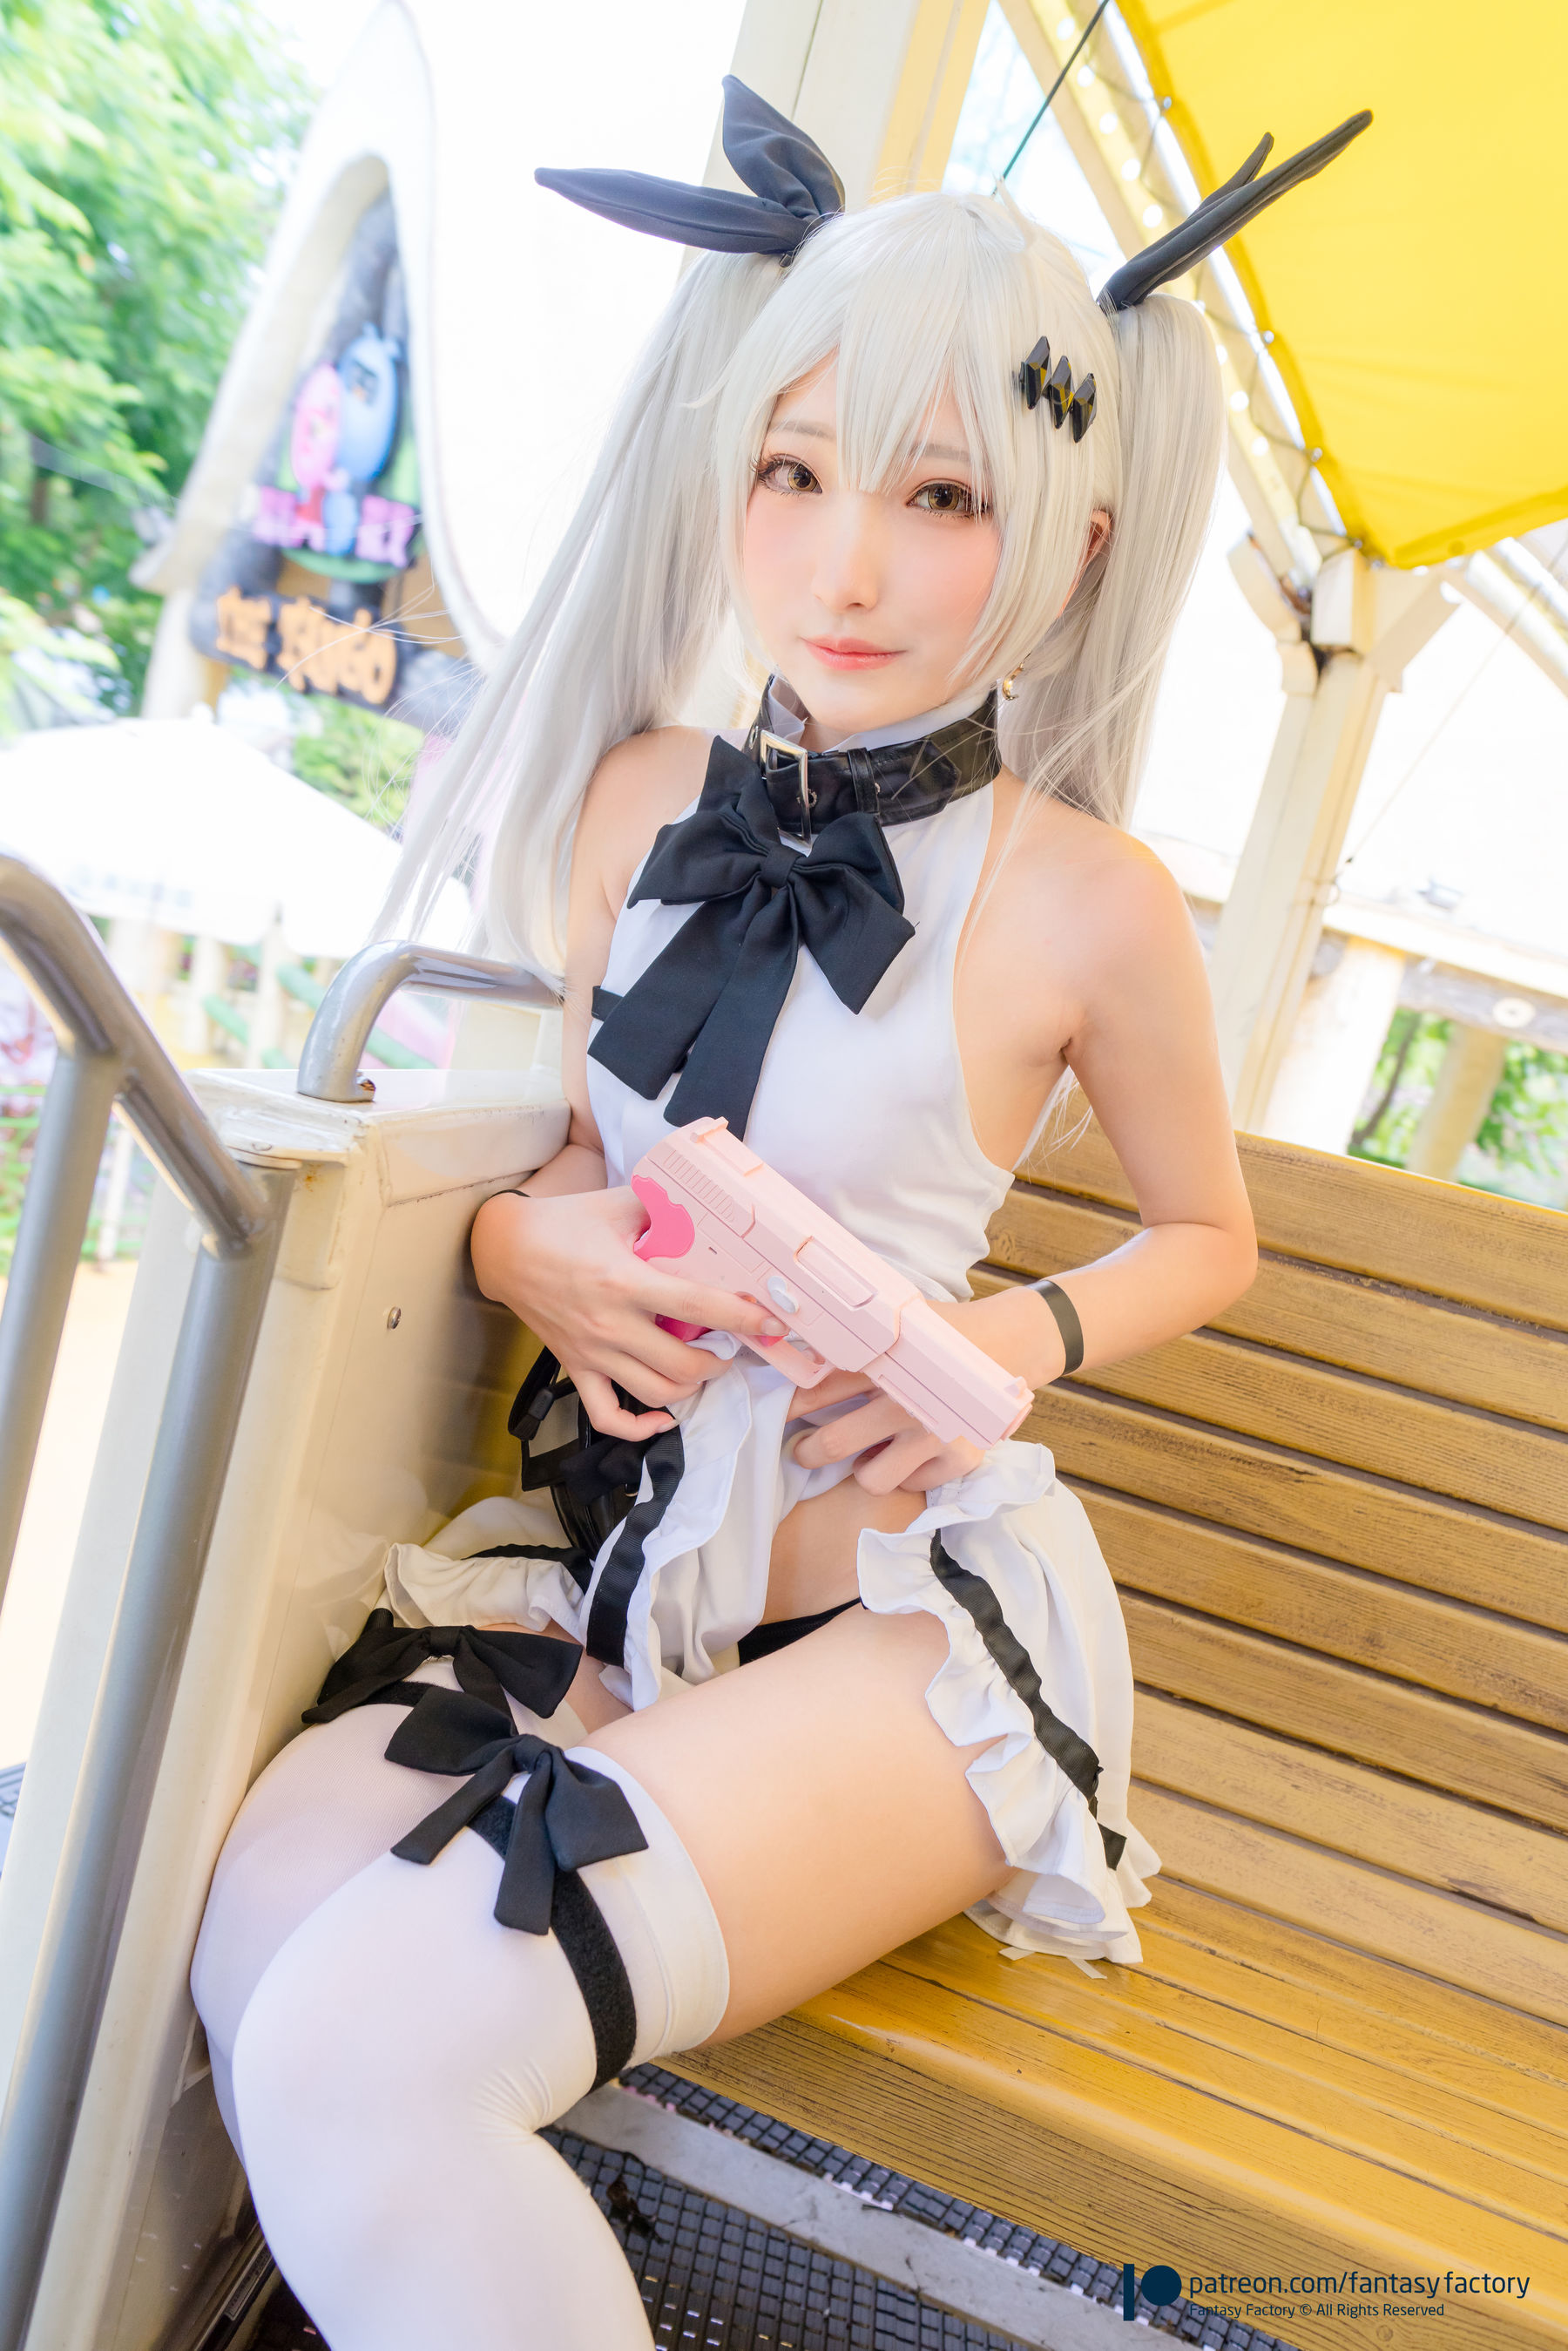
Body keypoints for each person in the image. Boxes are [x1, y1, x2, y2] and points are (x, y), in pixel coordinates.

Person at [189, 79, 1368, 2348]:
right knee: (261, 1939)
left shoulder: (1089, 898)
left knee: (364, 2052)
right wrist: (518, 1244)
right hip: (620, 1573)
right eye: (797, 473)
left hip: (903, 1628)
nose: (844, 567)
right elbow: (572, 1148)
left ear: (1073, 541)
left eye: (940, 498)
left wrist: (1012, 1342)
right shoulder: (635, 795)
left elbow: (1208, 1235)